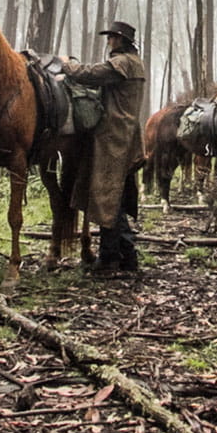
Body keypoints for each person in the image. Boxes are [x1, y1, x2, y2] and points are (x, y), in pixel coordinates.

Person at [63, 20, 148, 275]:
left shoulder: (122, 63)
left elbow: (89, 74)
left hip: (114, 139)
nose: (109, 41)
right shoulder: (134, 63)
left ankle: (111, 260)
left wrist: (67, 64)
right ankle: (126, 259)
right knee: (116, 198)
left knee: (109, 199)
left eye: (112, 37)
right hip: (125, 137)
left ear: (121, 40)